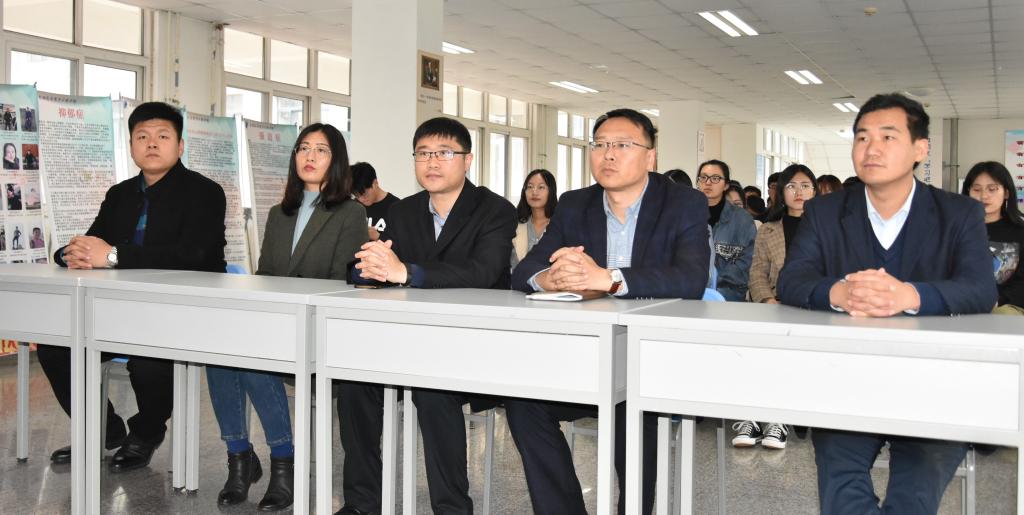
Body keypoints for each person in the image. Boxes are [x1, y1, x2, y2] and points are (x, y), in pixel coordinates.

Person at [777, 93, 996, 515]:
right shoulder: (825, 211)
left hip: (935, 386)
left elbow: (980, 289)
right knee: (841, 482)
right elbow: (792, 280)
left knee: (913, 495)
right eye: (862, 137)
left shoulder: (958, 213)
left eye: (887, 137)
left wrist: (910, 295)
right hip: (847, 383)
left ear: (920, 149)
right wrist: (839, 293)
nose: (871, 148)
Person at [510, 108, 711, 515]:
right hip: (587, 356)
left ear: (650, 156)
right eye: (600, 145)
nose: (608, 154)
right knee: (523, 402)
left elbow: (690, 279)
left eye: (622, 145)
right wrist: (550, 278)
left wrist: (609, 279)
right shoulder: (575, 204)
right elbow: (525, 270)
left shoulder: (683, 202)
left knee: (633, 413)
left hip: (651, 357)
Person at [340, 117, 516, 515]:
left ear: (467, 160)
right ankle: (362, 501)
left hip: (474, 341)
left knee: (432, 389)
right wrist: (367, 267)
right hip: (411, 339)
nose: (432, 162)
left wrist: (406, 272)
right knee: (353, 381)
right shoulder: (403, 211)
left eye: (444, 153)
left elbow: (484, 272)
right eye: (423, 154)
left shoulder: (494, 210)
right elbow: (379, 266)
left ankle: (452, 508)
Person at [37, 101, 227, 471]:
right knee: (55, 347)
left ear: (180, 145)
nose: (151, 143)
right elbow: (94, 241)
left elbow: (194, 257)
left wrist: (112, 256)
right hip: (120, 311)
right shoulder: (120, 194)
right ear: (131, 146)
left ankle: (147, 433)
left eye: (162, 136)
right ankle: (102, 429)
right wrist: (68, 253)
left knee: (149, 361)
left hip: (180, 312)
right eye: (142, 137)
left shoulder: (205, 193)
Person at [206, 123, 365, 511]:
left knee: (254, 357)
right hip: (277, 323)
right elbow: (265, 275)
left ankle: (283, 462)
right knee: (219, 353)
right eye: (303, 148)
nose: (310, 156)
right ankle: (240, 457)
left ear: (336, 161)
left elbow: (343, 284)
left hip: (319, 328)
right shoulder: (280, 213)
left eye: (321, 150)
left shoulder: (351, 212)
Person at [734, 164, 817, 449]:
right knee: (757, 353)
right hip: (772, 305)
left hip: (812, 308)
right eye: (791, 186)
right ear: (781, 192)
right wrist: (769, 300)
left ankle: (778, 419)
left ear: (815, 191)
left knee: (790, 356)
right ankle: (755, 417)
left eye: (805, 185)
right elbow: (756, 272)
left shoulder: (826, 229)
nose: (799, 192)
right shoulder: (768, 229)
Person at [962, 161, 1024, 313]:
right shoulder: (956, 229)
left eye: (992, 189)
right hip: (962, 302)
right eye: (977, 189)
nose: (984, 196)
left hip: (1006, 305)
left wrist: (997, 301)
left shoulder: (1020, 231)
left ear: (1006, 193)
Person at [697, 159, 756, 301]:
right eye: (703, 177)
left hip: (730, 294)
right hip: (692, 293)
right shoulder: (686, 215)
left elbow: (747, 261)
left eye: (715, 178)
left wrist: (715, 289)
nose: (708, 182)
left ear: (726, 185)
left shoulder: (742, 220)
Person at [513, 168, 557, 264]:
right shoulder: (515, 225)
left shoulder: (559, 224)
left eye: (541, 187)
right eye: (530, 187)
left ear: (551, 191)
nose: (534, 192)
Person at [351, 161, 400, 241]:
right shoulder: (353, 207)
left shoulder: (396, 207)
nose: (361, 199)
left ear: (375, 183)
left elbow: (403, 244)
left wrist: (378, 237)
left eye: (364, 194)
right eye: (357, 195)